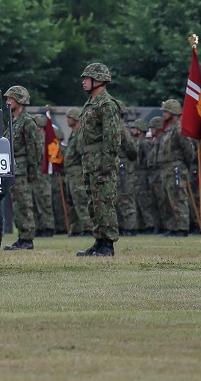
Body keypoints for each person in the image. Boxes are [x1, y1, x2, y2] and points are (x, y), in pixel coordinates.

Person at [75, 63, 123, 257]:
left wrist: (107, 164)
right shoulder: (90, 104)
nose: (84, 82)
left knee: (104, 201)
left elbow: (112, 138)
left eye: (87, 78)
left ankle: (108, 244)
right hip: (90, 160)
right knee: (94, 203)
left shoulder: (107, 104)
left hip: (101, 161)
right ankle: (99, 240)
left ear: (99, 80)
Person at [2, 85, 42, 250]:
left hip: (23, 167)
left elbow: (35, 149)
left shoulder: (27, 122)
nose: (7, 101)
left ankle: (27, 239)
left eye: (11, 98)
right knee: (18, 204)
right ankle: (22, 237)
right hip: (13, 166)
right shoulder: (13, 121)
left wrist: (32, 170)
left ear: (20, 100)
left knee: (24, 203)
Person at [156, 99, 195, 238]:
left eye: (166, 111)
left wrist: (183, 166)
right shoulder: (168, 128)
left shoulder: (179, 129)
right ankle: (172, 227)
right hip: (166, 169)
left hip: (176, 168)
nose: (163, 114)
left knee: (178, 197)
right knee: (169, 199)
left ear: (173, 113)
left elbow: (189, 152)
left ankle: (182, 228)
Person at [63, 107, 93, 236]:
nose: (68, 120)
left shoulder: (80, 133)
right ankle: (75, 228)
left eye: (69, 117)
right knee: (71, 202)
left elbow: (83, 153)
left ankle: (88, 227)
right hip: (70, 173)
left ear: (75, 118)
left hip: (77, 173)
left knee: (80, 201)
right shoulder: (73, 134)